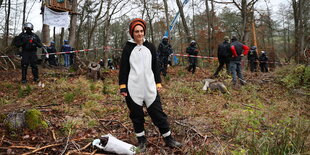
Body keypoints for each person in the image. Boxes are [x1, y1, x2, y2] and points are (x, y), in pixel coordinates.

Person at [118, 18, 182, 152]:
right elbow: (123, 68)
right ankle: (141, 141)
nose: (139, 34)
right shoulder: (128, 48)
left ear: (144, 32)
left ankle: (169, 139)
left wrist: (158, 82)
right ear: (132, 33)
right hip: (133, 88)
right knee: (137, 116)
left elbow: (155, 66)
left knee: (158, 114)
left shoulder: (150, 47)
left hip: (149, 87)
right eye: (136, 32)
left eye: (141, 31)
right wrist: (122, 86)